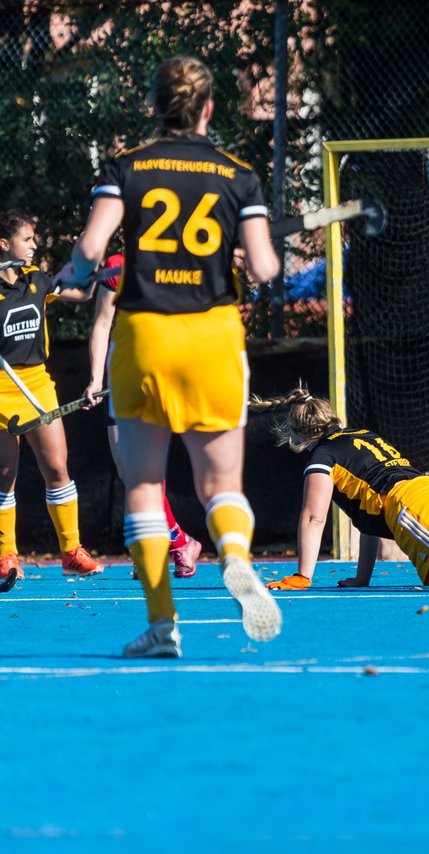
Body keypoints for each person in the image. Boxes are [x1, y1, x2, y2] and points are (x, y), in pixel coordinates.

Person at [60, 55, 282, 657]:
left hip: (144, 337)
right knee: (220, 484)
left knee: (143, 485)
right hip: (212, 336)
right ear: (210, 108)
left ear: (155, 107)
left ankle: (163, 624)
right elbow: (264, 268)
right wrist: (243, 258)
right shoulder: (239, 175)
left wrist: (73, 274)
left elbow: (89, 251)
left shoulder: (126, 168)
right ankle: (234, 556)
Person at [250, 388, 429, 591]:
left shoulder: (322, 455)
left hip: (415, 505)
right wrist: (362, 579)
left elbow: (313, 518)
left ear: (299, 435)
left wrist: (302, 576)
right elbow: (368, 522)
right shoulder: (364, 435)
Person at [83, 253, 203, 578]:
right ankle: (179, 541)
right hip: (121, 370)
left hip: (160, 370)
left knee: (144, 469)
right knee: (128, 470)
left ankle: (159, 547)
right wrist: (95, 378)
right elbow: (102, 322)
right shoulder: (117, 264)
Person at [0, 211, 103, 583]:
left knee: (57, 469)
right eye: (27, 240)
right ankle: (5, 556)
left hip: (37, 386)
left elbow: (83, 291)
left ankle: (72, 551)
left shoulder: (37, 280)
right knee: (4, 476)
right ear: (4, 244)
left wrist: (95, 264)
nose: (33, 246)